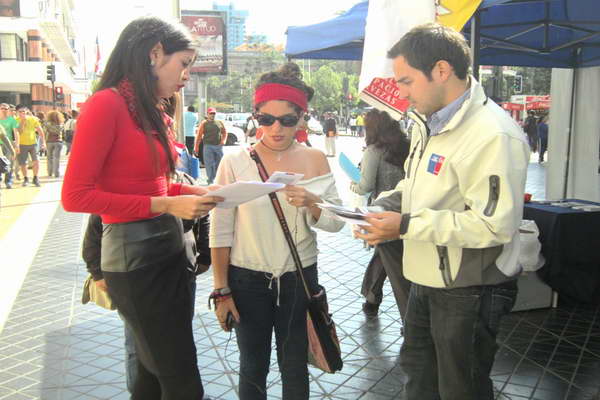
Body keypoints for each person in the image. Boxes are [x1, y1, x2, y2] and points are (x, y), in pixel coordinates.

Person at [356, 23, 530, 400]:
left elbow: (493, 225)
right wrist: (384, 206)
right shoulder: (429, 122)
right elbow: (416, 186)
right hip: (426, 276)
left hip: (469, 287)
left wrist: (404, 225)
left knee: (459, 388)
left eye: (406, 81)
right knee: (418, 376)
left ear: (441, 70)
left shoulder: (493, 134)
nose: (401, 92)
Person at [61, 16, 222, 400]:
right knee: (181, 379)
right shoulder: (106, 104)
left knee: (153, 377)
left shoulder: (147, 109)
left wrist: (197, 191)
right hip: (136, 261)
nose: (186, 75)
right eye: (183, 64)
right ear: (155, 54)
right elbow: (75, 196)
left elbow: (153, 183)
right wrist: (167, 202)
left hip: (168, 254)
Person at [210, 62, 345, 400]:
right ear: (255, 117)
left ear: (302, 117)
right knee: (253, 366)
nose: (276, 128)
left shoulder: (315, 159)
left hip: (299, 278)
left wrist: (313, 202)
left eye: (287, 119)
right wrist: (221, 290)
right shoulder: (235, 162)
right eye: (266, 119)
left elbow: (335, 221)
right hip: (247, 280)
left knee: (294, 366)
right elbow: (220, 231)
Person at [350, 109, 411, 318]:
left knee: (397, 272)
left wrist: (353, 184)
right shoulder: (408, 146)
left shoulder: (374, 151)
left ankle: (408, 320)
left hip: (383, 213)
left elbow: (365, 185)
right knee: (385, 257)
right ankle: (371, 298)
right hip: (407, 211)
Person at [194, 107, 226, 184]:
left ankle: (217, 178)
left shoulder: (219, 122)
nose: (212, 115)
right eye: (211, 113)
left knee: (220, 163)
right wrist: (196, 148)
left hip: (218, 146)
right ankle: (210, 180)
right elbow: (199, 136)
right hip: (208, 146)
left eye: (214, 113)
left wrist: (223, 141)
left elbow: (224, 132)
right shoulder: (204, 123)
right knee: (209, 164)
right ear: (207, 114)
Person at [15, 105, 45, 187]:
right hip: (21, 144)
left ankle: (35, 178)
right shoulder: (15, 120)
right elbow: (19, 132)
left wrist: (43, 143)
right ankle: (26, 178)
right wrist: (22, 122)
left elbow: (40, 131)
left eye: (23, 111)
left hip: (33, 143)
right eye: (20, 112)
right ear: (17, 112)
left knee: (36, 161)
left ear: (27, 111)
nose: (22, 113)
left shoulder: (33, 119)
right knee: (23, 163)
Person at [0, 103, 19, 188]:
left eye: (6, 109)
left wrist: (17, 145)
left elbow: (16, 132)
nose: (4, 110)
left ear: (9, 110)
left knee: (9, 163)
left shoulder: (12, 120)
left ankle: (8, 181)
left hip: (8, 144)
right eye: (2, 108)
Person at [43, 110, 64, 177]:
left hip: (49, 141)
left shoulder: (47, 124)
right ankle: (56, 173)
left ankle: (50, 172)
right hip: (58, 141)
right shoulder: (60, 123)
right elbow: (61, 131)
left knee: (49, 157)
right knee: (56, 158)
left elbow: (44, 132)